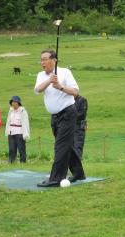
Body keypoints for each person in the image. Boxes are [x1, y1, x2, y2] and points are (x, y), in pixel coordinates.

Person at [34, 50, 86, 187]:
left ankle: (56, 178)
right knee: (65, 145)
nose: (42, 62)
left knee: (60, 146)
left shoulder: (65, 72)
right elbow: (37, 90)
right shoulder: (41, 75)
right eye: (41, 60)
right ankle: (78, 173)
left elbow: (75, 92)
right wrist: (49, 81)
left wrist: (60, 87)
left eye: (45, 59)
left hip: (68, 113)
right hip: (55, 116)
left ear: (54, 60)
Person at [68, 95, 88, 182]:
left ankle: (78, 174)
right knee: (69, 150)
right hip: (69, 127)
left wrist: (69, 115)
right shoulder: (68, 100)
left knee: (77, 150)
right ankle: (72, 172)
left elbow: (82, 114)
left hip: (79, 128)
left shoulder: (82, 100)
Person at [5, 96, 30, 163]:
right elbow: (8, 122)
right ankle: (11, 162)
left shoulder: (23, 111)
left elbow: (26, 122)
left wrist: (26, 133)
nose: (14, 103)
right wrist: (7, 132)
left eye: (15, 102)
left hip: (20, 132)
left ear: (18, 103)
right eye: (12, 102)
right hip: (11, 132)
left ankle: (23, 162)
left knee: (21, 149)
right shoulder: (10, 111)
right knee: (11, 149)